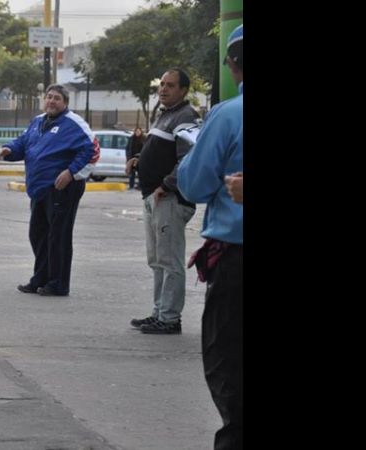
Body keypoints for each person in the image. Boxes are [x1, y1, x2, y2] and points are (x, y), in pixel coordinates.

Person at [177, 24, 243, 450]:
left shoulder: (229, 115)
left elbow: (195, 184)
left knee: (230, 363)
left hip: (237, 261)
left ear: (233, 64)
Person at [0, 84, 95, 297]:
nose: (51, 101)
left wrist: (71, 172)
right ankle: (40, 278)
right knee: (38, 235)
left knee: (58, 236)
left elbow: (91, 150)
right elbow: (23, 143)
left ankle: (58, 283)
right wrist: (9, 149)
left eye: (57, 98)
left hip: (61, 188)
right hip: (39, 189)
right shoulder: (38, 122)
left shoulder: (74, 124)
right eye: (49, 97)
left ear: (65, 103)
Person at [127, 68, 199, 335]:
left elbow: (189, 158)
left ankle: (170, 318)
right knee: (157, 259)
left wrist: (166, 184)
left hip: (169, 198)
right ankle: (159, 311)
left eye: (170, 85)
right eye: (162, 85)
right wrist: (137, 161)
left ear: (183, 90)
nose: (164, 89)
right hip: (152, 197)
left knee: (170, 261)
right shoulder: (164, 116)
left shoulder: (186, 116)